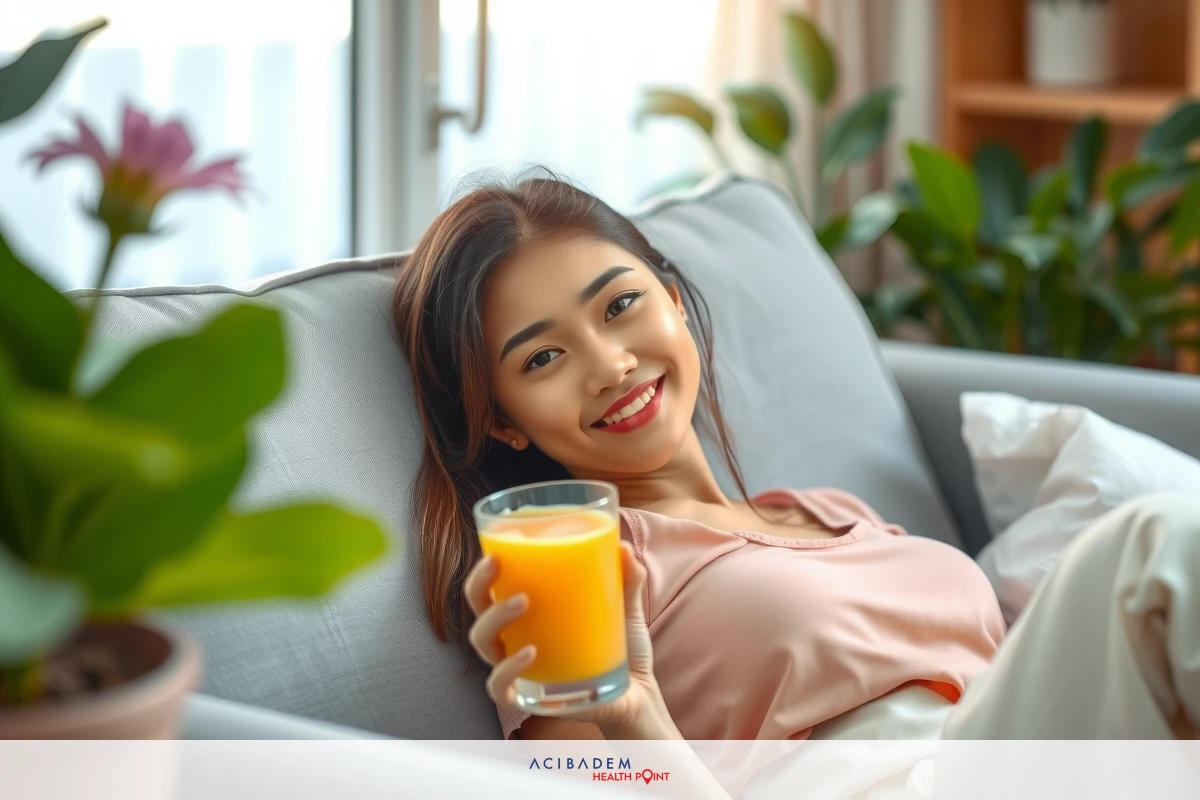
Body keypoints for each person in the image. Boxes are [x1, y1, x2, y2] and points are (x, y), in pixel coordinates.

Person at [392, 170, 1199, 766]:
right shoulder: (583, 572)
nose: (608, 365)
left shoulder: (828, 510)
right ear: (503, 418)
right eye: (543, 357)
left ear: (674, 300)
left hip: (1019, 757)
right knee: (1161, 544)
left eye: (619, 306)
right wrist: (634, 723)